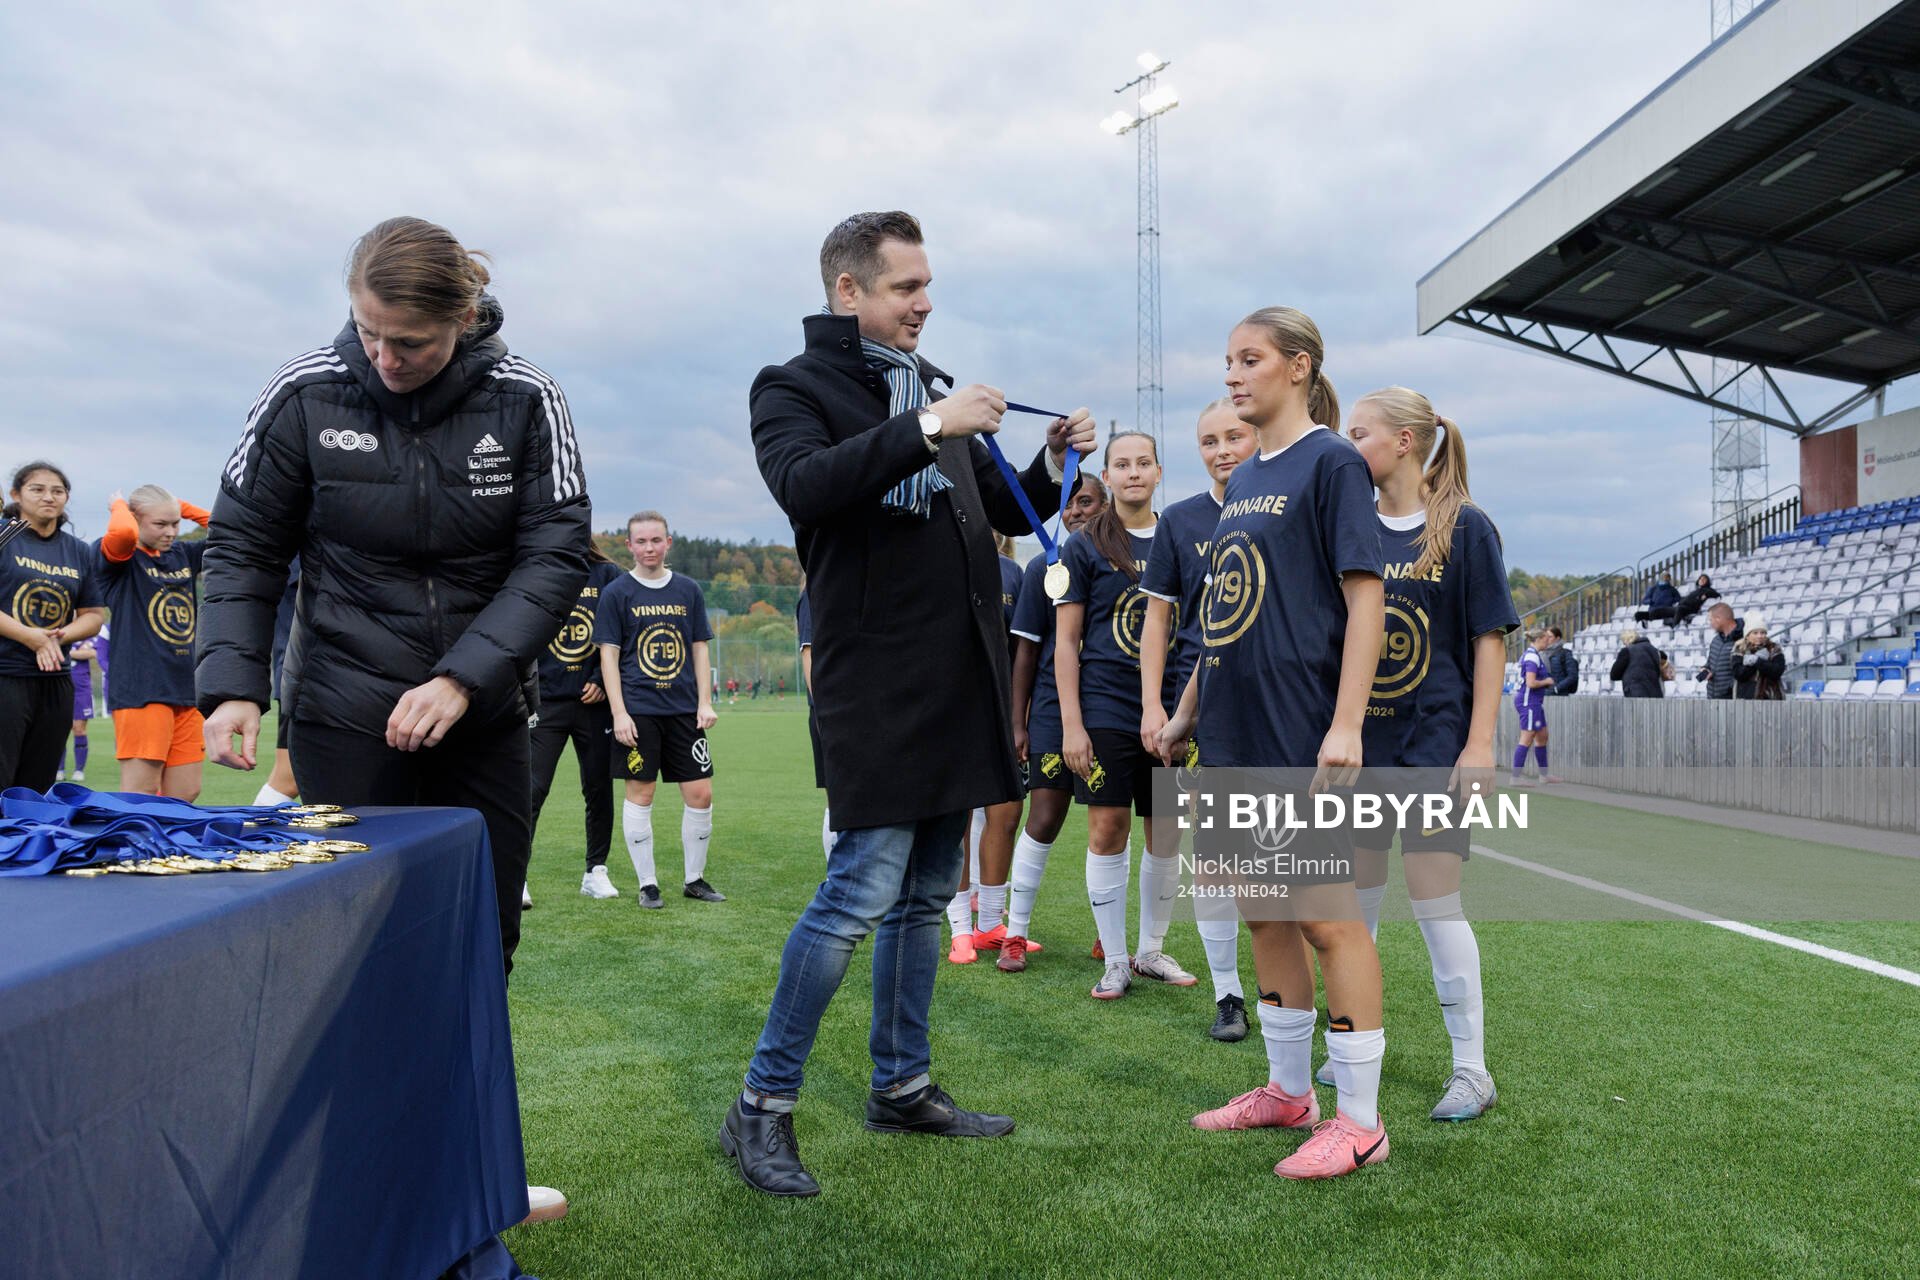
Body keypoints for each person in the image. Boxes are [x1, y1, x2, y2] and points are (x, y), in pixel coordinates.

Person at [727, 209, 1094, 1198]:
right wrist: (931, 424)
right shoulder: (793, 387)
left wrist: (1052, 464)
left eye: (927, 285)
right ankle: (760, 1106)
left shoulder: (928, 388)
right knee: (855, 895)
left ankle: (902, 1083)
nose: (924, 302)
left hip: (959, 676)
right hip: (876, 685)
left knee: (928, 896)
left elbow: (1002, 505)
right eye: (904, 287)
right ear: (849, 291)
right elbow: (807, 486)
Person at [198, 215, 591, 983]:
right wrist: (231, 686)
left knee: (481, 940)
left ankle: (454, 1102)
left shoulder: (527, 398)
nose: (385, 358)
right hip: (342, 711)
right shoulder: (304, 393)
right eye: (368, 332)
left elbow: (556, 554)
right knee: (355, 945)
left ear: (464, 319)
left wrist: (461, 678)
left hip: (481, 715)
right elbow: (244, 546)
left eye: (409, 342)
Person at [1157, 305, 1391, 1180]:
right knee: (1264, 910)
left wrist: (1346, 721)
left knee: (1327, 919)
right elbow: (1224, 616)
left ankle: (1360, 1121)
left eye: (1247, 359)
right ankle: (1288, 1092)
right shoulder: (1245, 476)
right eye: (1226, 360)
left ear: (1296, 367)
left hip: (1301, 724)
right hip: (1231, 726)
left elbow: (1366, 596)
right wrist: (1186, 712)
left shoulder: (1331, 461)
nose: (1231, 374)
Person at [1344, 386, 1518, 1121]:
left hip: (1433, 743)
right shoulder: (1350, 526)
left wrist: (1480, 743)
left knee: (1435, 898)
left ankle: (1471, 1069)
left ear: (1406, 442)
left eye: (1359, 434)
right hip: (1359, 746)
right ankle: (1352, 1045)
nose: (1348, 447)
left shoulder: (1466, 527)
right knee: (1354, 903)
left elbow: (1488, 640)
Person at [1058, 430, 1197, 998]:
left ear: (1159, 472)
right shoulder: (1084, 545)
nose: (1134, 472)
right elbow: (1066, 643)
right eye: (1122, 464)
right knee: (1108, 827)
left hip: (1172, 711)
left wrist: (1184, 710)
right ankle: (1115, 958)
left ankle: (1150, 951)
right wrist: (1072, 722)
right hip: (1108, 709)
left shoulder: (1181, 538)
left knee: (1165, 832)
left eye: (1144, 462)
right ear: (1107, 476)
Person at [1141, 397, 1259, 1038]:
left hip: (1282, 705)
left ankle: (1285, 989)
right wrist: (1156, 704)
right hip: (1208, 707)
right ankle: (1229, 995)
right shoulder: (1182, 520)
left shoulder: (1286, 501)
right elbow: (1158, 620)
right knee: (1216, 857)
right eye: (1209, 440)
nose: (1222, 449)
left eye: (1233, 435)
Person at [1000, 473, 1108, 973]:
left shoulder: (1127, 562)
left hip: (1111, 711)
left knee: (1109, 824)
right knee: (1043, 819)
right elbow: (1026, 652)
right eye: (1067, 505)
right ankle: (1015, 935)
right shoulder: (1046, 565)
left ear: (1105, 505)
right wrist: (1019, 722)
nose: (1076, 512)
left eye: (1086, 501)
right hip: (1049, 713)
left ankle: (1109, 939)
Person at [594, 510, 722, 909]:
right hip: (639, 711)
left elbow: (700, 648)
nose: (649, 548)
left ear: (669, 543)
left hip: (684, 711)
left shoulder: (688, 590)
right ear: (629, 546)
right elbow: (609, 657)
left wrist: (705, 700)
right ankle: (647, 884)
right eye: (641, 541)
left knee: (700, 794)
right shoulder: (617, 593)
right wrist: (618, 713)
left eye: (656, 540)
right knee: (641, 793)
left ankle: (694, 879)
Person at [94, 487, 210, 800]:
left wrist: (180, 507)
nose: (171, 532)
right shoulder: (121, 559)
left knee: (185, 791)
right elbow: (121, 532)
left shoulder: (182, 554)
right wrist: (118, 503)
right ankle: (133, 848)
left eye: (175, 524)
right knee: (141, 791)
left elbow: (229, 532)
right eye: (161, 524)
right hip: (142, 689)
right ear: (135, 519)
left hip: (186, 688)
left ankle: (164, 849)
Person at [946, 531, 1031, 963]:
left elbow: (1022, 652)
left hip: (1001, 713)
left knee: (1007, 812)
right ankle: (960, 929)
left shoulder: (1014, 574)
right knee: (956, 818)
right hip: (949, 710)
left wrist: (1022, 715)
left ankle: (990, 924)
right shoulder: (937, 559)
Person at [530, 535, 625, 903]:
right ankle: (517, 875)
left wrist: (602, 680)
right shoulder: (537, 572)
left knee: (599, 788)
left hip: (594, 704)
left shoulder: (608, 575)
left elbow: (622, 634)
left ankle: (595, 871)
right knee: (532, 790)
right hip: (547, 702)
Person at [1, 461, 105, 791]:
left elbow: (93, 614)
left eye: (57, 490)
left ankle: (27, 843)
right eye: (38, 489)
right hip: (6, 675)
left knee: (37, 785)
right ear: (16, 495)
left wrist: (60, 635)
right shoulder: (4, 536)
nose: (49, 497)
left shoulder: (77, 550)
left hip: (55, 680)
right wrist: (29, 637)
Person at [252, 560, 302, 806]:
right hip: (307, 680)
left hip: (304, 677)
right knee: (288, 779)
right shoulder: (304, 553)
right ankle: (250, 839)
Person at [1510, 629, 1560, 785]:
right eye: (1546, 639)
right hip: (1528, 701)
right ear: (1538, 639)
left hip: (1534, 702)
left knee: (1542, 735)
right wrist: (1547, 681)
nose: (1548, 641)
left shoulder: (1533, 655)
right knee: (1526, 738)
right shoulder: (1532, 656)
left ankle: (1544, 775)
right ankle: (1515, 777)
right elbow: (1531, 683)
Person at [62, 630, 106, 782]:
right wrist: (76, 651)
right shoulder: (59, 632)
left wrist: (65, 651)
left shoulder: (87, 633)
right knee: (59, 730)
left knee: (79, 728)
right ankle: (59, 769)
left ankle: (79, 770)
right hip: (61, 685)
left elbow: (92, 653)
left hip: (81, 689)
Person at [1698, 602, 1745, 699]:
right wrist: (1705, 669)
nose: (1710, 624)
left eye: (1711, 620)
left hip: (1733, 700)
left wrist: (1729, 687)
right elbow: (1709, 664)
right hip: (1713, 698)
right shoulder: (1716, 640)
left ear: (1718, 619)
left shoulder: (1744, 640)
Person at [1638, 573, 1717, 628]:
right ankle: (1649, 621)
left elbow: (1715, 594)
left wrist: (1706, 595)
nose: (1701, 580)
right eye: (1700, 578)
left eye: (1704, 579)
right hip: (1682, 606)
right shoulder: (1694, 591)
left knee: (1679, 609)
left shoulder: (1707, 590)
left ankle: (1674, 626)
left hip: (1690, 608)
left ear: (1707, 581)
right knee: (1661, 610)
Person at [1733, 618, 1785, 701]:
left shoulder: (1774, 648)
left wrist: (1759, 662)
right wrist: (1754, 662)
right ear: (1748, 635)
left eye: (1763, 633)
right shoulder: (1740, 649)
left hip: (1770, 699)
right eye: (1755, 633)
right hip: (1745, 699)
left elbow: (1777, 671)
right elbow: (1739, 674)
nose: (1760, 636)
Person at [1609, 627, 1667, 697]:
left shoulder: (1627, 651)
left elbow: (1614, 674)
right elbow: (1664, 656)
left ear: (1627, 640)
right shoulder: (1654, 650)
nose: (1624, 644)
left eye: (1624, 641)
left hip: (1636, 693)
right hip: (1655, 693)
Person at [1544, 624, 1579, 696]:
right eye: (1546, 637)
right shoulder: (1542, 653)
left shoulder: (1565, 654)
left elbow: (1573, 675)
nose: (1547, 639)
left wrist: (1556, 689)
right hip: (1546, 694)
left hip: (1561, 695)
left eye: (1550, 637)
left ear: (1557, 638)